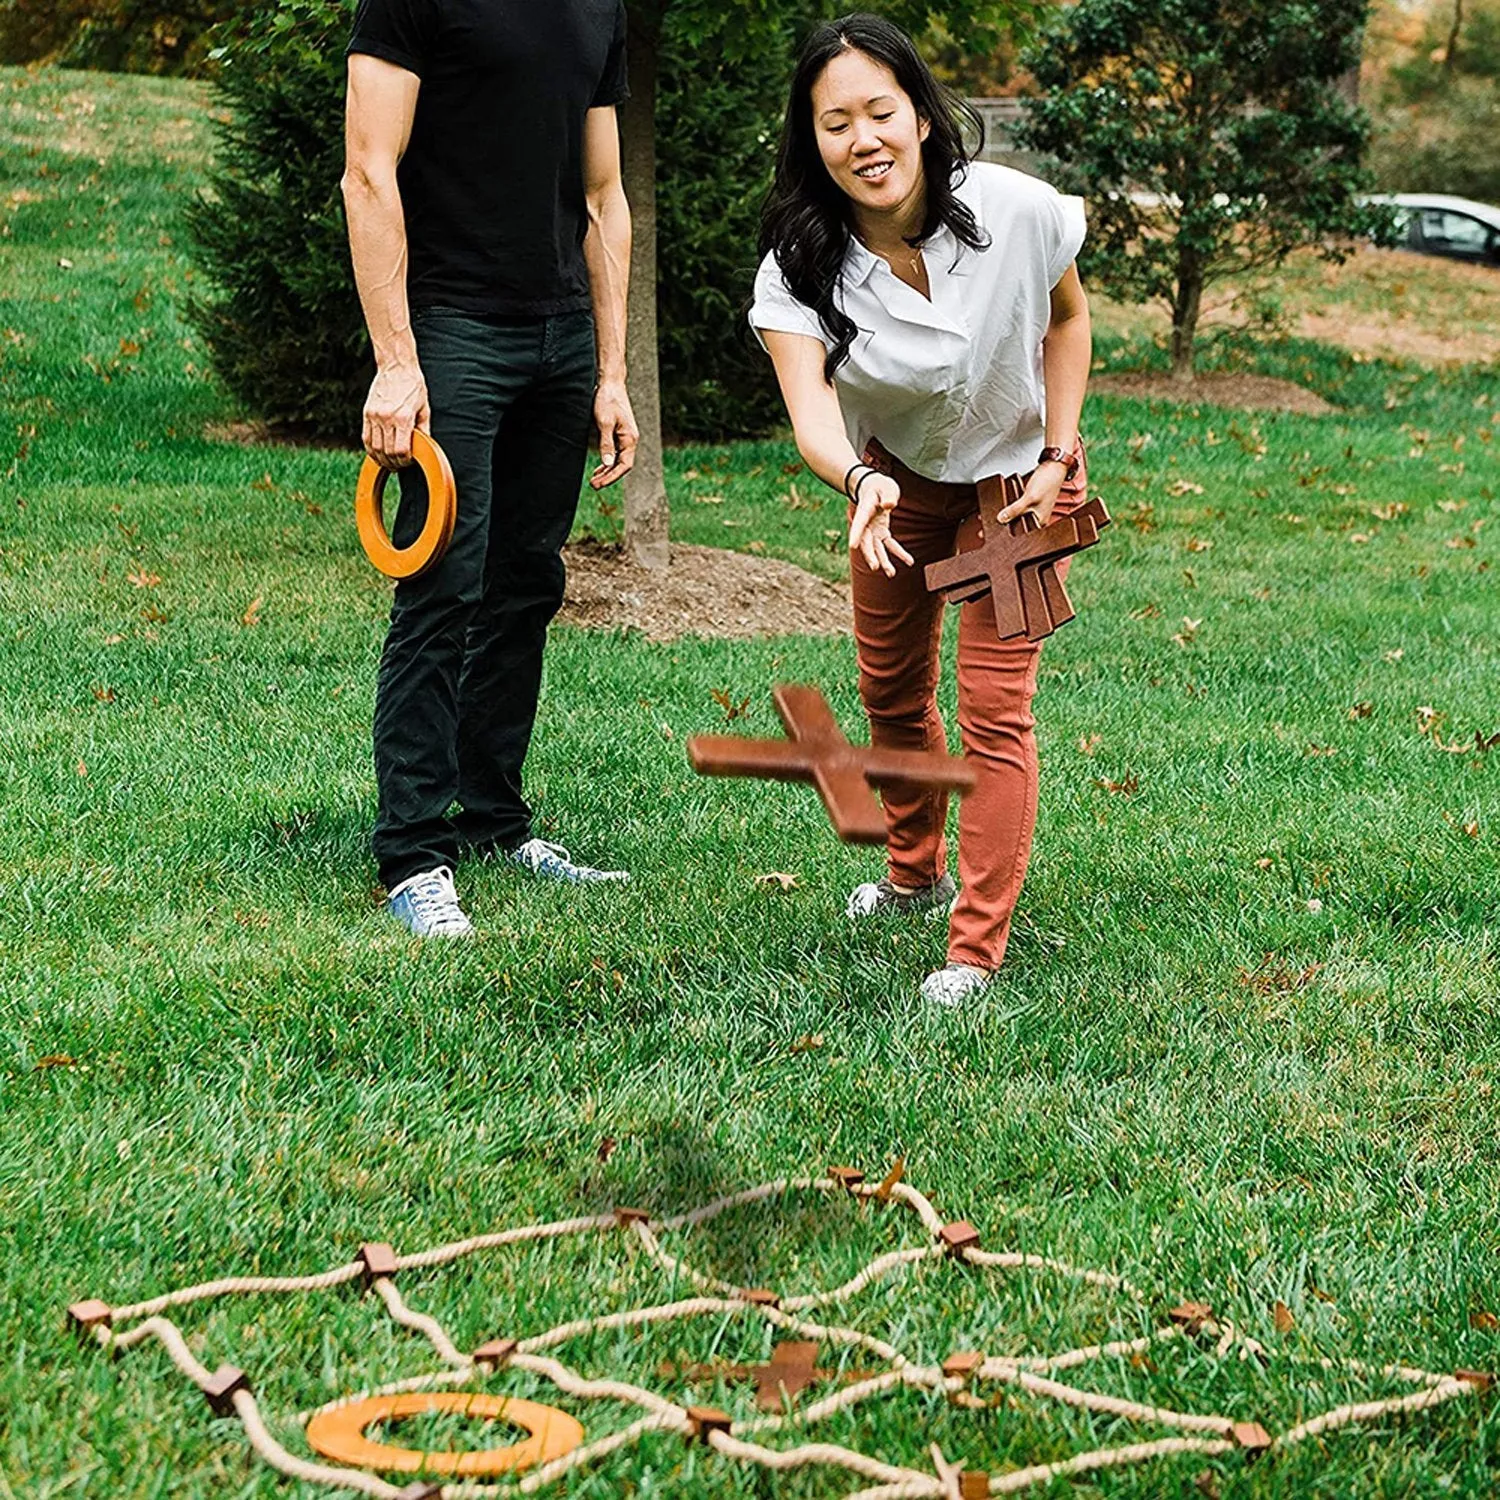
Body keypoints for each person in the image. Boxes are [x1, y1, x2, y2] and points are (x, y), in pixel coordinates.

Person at [749, 12, 1092, 1005]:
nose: (864, 139)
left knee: (994, 709)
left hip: (1018, 490)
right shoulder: (798, 266)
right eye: (835, 122)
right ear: (810, 141)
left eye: (881, 112)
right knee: (891, 692)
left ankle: (975, 948)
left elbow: (1069, 322)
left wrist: (1060, 451)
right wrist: (858, 481)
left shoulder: (1020, 212)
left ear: (924, 116)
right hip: (893, 480)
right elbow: (812, 411)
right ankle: (912, 875)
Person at [342, 0, 639, 938]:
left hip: (560, 334)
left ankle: (496, 823)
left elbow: (603, 196)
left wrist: (613, 372)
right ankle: (414, 854)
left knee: (525, 584)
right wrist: (397, 362)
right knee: (443, 585)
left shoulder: (600, 5)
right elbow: (367, 172)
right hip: (454, 329)